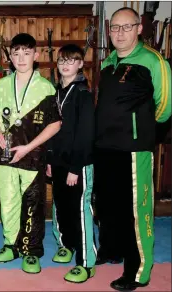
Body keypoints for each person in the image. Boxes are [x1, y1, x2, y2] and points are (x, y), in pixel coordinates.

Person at [94, 7, 171, 291]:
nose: (120, 33)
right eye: (115, 28)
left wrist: (142, 132)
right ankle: (112, 249)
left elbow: (164, 107)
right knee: (108, 205)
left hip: (133, 150)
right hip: (104, 147)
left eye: (127, 27)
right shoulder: (107, 63)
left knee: (136, 211)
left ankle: (139, 270)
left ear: (139, 29)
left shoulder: (153, 61)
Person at [0, 33, 61, 274]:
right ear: (10, 57)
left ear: (36, 55)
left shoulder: (46, 87)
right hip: (7, 154)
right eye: (16, 53)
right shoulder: (1, 85)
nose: (21, 58)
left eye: (26, 53)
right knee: (8, 201)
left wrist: (29, 148)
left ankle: (31, 250)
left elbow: (55, 124)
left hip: (32, 155)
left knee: (33, 202)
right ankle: (10, 244)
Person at [46, 44, 97, 283]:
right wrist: (49, 159)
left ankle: (87, 263)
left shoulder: (82, 95)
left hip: (77, 164)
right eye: (62, 61)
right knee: (60, 206)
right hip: (57, 161)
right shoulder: (57, 92)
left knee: (79, 209)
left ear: (79, 64)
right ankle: (65, 244)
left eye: (71, 61)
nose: (65, 65)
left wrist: (76, 168)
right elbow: (51, 130)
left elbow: (85, 134)